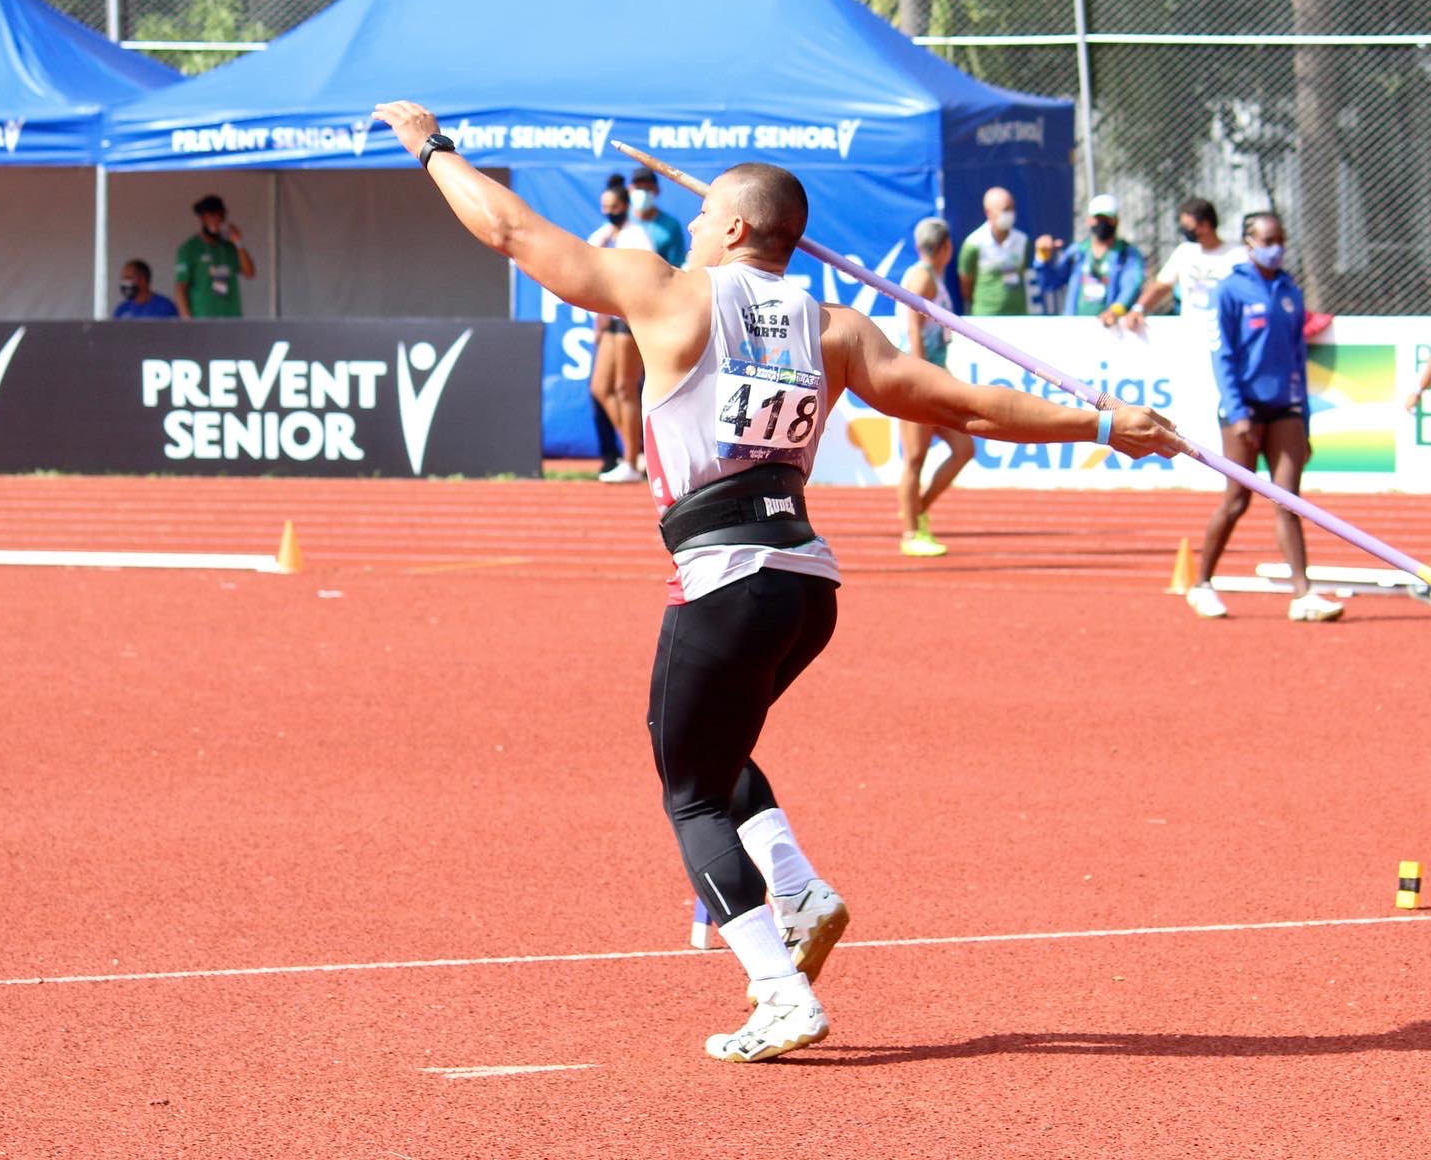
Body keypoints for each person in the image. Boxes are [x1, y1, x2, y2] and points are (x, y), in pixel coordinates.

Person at [374, 99, 1180, 1064]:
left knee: (690, 793)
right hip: (806, 588)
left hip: (725, 577)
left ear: (736, 227)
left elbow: (508, 227)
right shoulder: (836, 327)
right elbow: (968, 405)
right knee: (703, 744)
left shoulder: (667, 291)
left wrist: (431, 148)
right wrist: (1097, 425)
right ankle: (795, 887)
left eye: (707, 208)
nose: (696, 219)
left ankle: (776, 984)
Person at [1184, 211, 1343, 623]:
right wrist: (1238, 413)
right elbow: (1224, 357)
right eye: (1268, 239)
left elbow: (1297, 357)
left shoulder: (1289, 290)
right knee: (1237, 500)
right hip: (1245, 410)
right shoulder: (1230, 291)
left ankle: (1302, 594)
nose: (1277, 247)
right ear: (1249, 243)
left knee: (1288, 499)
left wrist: (1303, 422)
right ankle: (1202, 583)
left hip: (1286, 406)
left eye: (1281, 238)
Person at [898, 217, 975, 557]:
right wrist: (919, 371)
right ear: (947, 248)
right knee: (915, 458)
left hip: (932, 377)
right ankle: (912, 531)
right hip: (918, 381)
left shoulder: (932, 277)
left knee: (964, 449)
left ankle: (919, 509)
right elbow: (913, 323)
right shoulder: (922, 276)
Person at [586, 176, 652, 483]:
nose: (609, 211)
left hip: (630, 317)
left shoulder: (637, 236)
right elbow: (589, 264)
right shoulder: (604, 234)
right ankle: (637, 451)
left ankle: (630, 460)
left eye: (613, 207)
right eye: (604, 207)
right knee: (600, 387)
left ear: (625, 206)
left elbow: (640, 276)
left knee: (626, 388)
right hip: (609, 318)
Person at [1124, 198, 1246, 337]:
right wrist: (1139, 308)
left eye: (1187, 227)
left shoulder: (1238, 255)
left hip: (1226, 331)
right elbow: (1162, 286)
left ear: (1205, 225)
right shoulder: (1185, 252)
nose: (1184, 231)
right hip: (1192, 330)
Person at [1033, 194, 1145, 325]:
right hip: (1076, 328)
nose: (1102, 223)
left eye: (1107, 219)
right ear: (1089, 220)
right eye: (1098, 218)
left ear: (1116, 221)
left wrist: (1115, 311)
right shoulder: (1077, 252)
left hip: (1111, 328)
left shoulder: (1127, 254)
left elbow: (1131, 285)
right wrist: (1043, 256)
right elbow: (1049, 283)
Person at [174, 195, 255, 318]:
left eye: (220, 217)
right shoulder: (189, 249)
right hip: (202, 317)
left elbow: (249, 273)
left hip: (231, 317)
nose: (216, 222)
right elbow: (181, 287)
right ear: (202, 219)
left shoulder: (230, 246)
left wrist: (238, 242)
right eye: (212, 217)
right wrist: (187, 319)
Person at [957, 186, 1030, 316]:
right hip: (986, 317)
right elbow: (966, 284)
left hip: (1018, 317)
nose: (1010, 214)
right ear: (988, 212)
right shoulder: (973, 243)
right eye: (1005, 210)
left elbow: (1025, 273)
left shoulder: (1023, 240)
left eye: (1012, 208)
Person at [628, 167, 687, 268]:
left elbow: (676, 266)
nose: (643, 193)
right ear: (629, 190)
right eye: (638, 188)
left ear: (657, 190)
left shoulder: (670, 226)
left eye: (647, 189)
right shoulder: (619, 219)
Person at [112, 259, 179, 319]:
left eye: (128, 278)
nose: (124, 282)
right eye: (122, 279)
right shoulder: (122, 309)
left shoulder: (165, 307)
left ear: (143, 279)